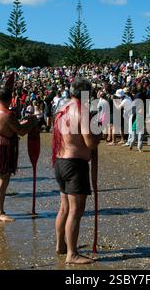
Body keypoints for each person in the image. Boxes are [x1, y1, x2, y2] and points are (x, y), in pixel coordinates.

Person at [53, 78, 100, 265]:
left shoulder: (61, 109)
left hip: (60, 162)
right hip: (75, 164)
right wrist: (98, 133)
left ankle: (61, 245)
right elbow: (90, 142)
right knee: (75, 210)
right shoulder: (82, 111)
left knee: (64, 208)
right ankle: (71, 254)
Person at [0, 87, 38, 222]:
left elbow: (10, 127)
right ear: (10, 98)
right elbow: (21, 131)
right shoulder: (8, 113)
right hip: (3, 149)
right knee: (3, 180)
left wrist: (24, 122)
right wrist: (31, 122)